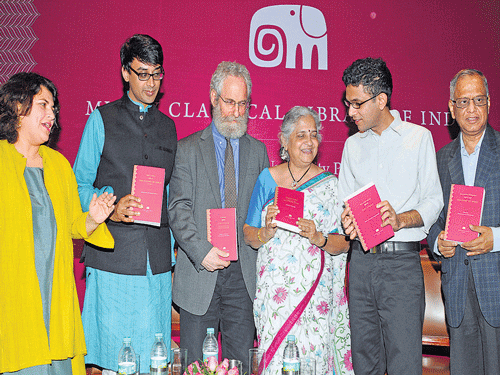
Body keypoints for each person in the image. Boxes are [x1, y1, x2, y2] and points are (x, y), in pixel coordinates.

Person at [73, 34, 177, 374]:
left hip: (156, 263)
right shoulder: (100, 120)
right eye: (142, 73)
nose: (151, 83)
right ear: (125, 73)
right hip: (112, 257)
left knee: (153, 359)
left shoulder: (168, 127)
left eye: (157, 73)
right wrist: (112, 207)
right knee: (107, 356)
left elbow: (172, 193)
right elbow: (77, 184)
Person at [0, 72, 115, 375]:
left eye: (54, 108)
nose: (52, 115)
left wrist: (93, 218)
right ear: (17, 108)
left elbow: (70, 228)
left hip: (56, 295)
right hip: (14, 299)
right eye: (43, 105)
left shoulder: (59, 166)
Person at [338, 57, 443, 375]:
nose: (350, 112)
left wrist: (400, 219)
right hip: (361, 264)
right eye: (347, 103)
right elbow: (343, 202)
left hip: (401, 268)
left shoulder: (418, 138)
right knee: (364, 360)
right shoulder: (352, 146)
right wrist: (346, 219)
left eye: (357, 104)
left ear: (381, 99)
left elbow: (433, 201)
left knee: (403, 362)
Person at [168, 61, 269, 369]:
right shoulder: (186, 150)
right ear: (213, 98)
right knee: (195, 366)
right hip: (201, 272)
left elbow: (263, 212)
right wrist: (202, 252)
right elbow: (178, 208)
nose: (237, 112)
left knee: (238, 365)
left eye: (243, 104)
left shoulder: (259, 151)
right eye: (229, 102)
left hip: (244, 277)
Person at [243, 106, 353, 375]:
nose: (309, 142)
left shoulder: (331, 185)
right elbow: (248, 233)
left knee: (313, 358)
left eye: (313, 135)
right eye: (301, 135)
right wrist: (265, 233)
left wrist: (320, 238)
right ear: (284, 141)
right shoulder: (268, 179)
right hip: (275, 295)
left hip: (316, 297)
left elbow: (345, 243)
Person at [427, 69, 500, 374]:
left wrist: (495, 238)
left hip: (495, 285)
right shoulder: (441, 158)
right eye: (464, 101)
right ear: (451, 107)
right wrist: (437, 242)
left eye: (478, 100)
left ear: (489, 104)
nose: (472, 109)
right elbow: (431, 218)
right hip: (456, 286)